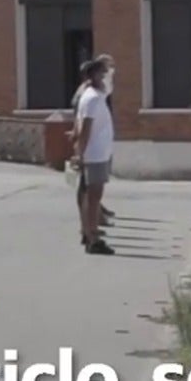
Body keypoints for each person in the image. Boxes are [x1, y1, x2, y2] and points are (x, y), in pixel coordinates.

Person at [72, 58, 117, 255]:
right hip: (94, 154)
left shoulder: (96, 95)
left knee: (90, 195)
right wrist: (79, 154)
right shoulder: (91, 99)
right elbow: (85, 129)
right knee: (93, 198)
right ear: (94, 76)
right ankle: (92, 238)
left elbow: (110, 87)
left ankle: (88, 232)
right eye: (103, 73)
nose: (106, 76)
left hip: (99, 153)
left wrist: (109, 64)